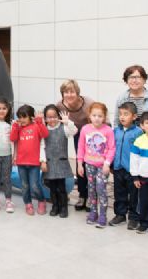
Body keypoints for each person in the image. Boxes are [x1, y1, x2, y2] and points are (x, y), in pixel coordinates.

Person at [55, 79, 94, 211]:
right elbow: (53, 120)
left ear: (77, 92)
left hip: (90, 134)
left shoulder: (88, 103)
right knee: (80, 163)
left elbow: (102, 118)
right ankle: (82, 195)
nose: (69, 94)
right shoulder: (60, 106)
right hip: (76, 134)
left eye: (72, 91)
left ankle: (91, 196)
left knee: (91, 164)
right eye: (66, 92)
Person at [77, 102, 115, 228]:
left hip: (102, 166)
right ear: (90, 115)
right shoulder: (85, 129)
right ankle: (93, 212)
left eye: (100, 116)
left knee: (101, 189)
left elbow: (111, 148)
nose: (97, 118)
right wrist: (79, 164)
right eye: (94, 115)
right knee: (91, 189)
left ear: (104, 117)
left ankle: (103, 215)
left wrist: (107, 163)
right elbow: (81, 147)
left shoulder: (108, 130)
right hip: (89, 165)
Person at [109, 102, 143, 229]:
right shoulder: (115, 131)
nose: (122, 117)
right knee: (119, 193)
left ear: (134, 117)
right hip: (118, 168)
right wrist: (112, 164)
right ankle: (120, 215)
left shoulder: (138, 132)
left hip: (132, 170)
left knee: (134, 195)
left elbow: (140, 151)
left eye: (126, 114)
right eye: (120, 114)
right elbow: (111, 148)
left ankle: (134, 217)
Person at [10, 104, 48, 215]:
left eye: (24, 117)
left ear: (31, 116)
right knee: (24, 186)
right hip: (21, 162)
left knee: (35, 185)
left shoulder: (36, 126)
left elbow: (45, 134)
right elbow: (12, 138)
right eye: (19, 117)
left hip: (34, 163)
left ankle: (41, 201)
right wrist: (15, 127)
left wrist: (40, 121)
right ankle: (28, 204)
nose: (21, 120)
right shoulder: (18, 127)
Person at [114, 64, 148, 135]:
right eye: (131, 77)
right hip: (128, 140)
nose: (134, 80)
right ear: (126, 80)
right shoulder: (121, 98)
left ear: (144, 80)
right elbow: (117, 122)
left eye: (138, 77)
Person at [42, 104, 76, 218]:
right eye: (49, 117)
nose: (52, 119)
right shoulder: (44, 130)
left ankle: (63, 207)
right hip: (50, 163)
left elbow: (74, 131)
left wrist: (68, 122)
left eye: (54, 116)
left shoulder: (64, 128)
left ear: (58, 116)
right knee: (52, 187)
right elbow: (41, 146)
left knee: (61, 187)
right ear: (45, 118)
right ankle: (55, 206)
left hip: (61, 162)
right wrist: (42, 161)